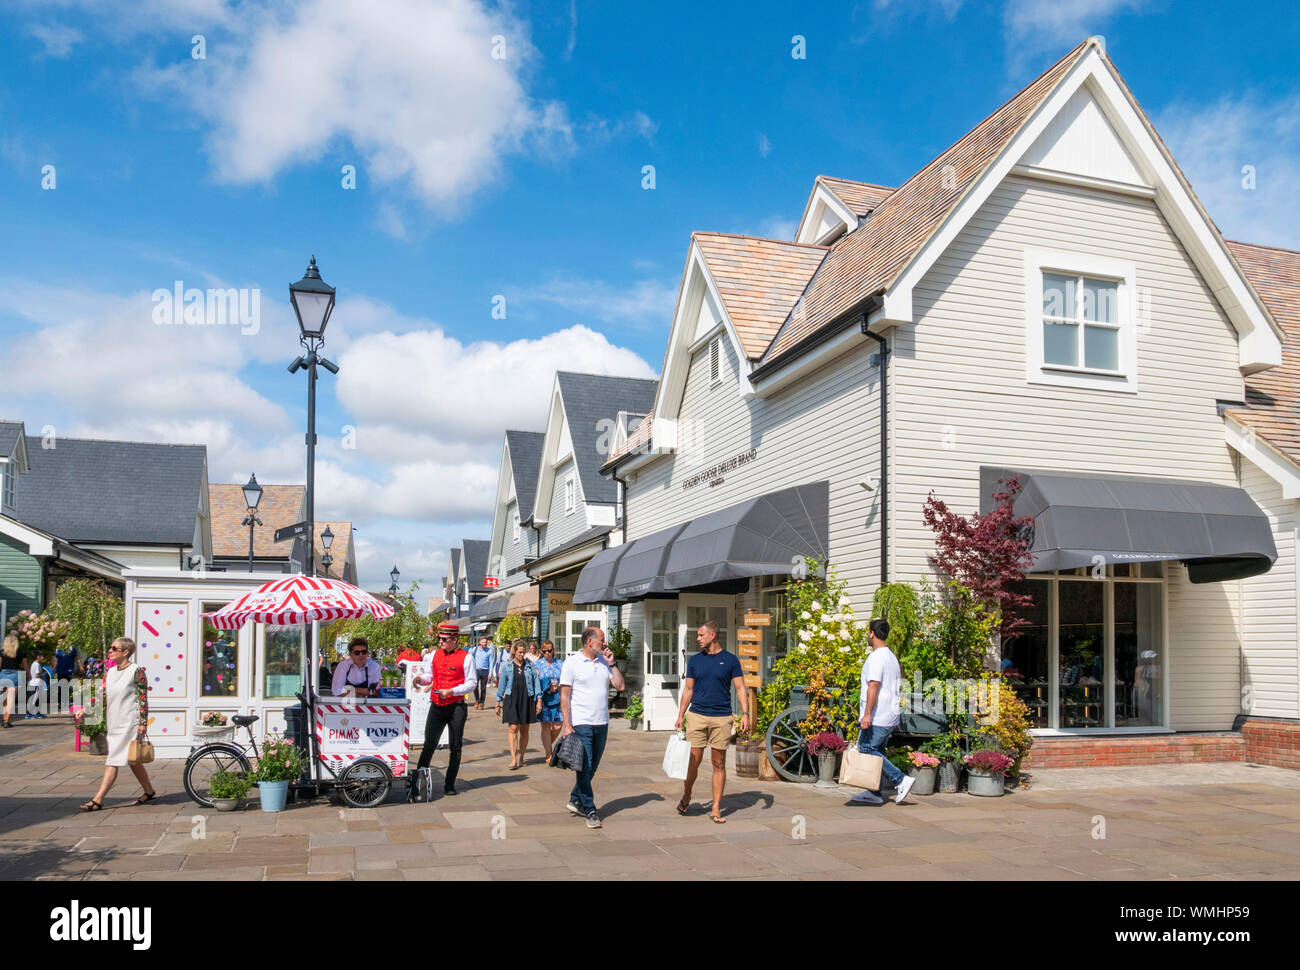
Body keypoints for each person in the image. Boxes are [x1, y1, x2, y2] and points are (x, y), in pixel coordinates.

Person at [673, 619, 749, 823]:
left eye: (701, 635)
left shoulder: (731, 660)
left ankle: (716, 807)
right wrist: (680, 715)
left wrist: (745, 713)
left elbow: (741, 688)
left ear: (712, 635)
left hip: (722, 718)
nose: (697, 639)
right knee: (693, 763)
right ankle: (687, 794)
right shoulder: (695, 660)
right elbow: (688, 689)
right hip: (697, 716)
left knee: (719, 763)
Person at [79, 637, 156, 811]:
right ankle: (149, 792)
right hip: (114, 720)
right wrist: (85, 709)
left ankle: (98, 799)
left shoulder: (137, 671)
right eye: (111, 648)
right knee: (133, 760)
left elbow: (142, 698)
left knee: (112, 760)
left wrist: (143, 722)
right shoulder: (110, 672)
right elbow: (101, 694)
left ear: (125, 652)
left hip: (129, 721)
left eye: (114, 648)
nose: (110, 651)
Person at [559, 626, 625, 829]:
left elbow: (620, 686)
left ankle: (575, 798)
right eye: (601, 640)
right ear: (589, 641)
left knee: (593, 766)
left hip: (602, 722)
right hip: (582, 723)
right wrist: (567, 724)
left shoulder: (605, 662)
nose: (604, 643)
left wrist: (613, 664)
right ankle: (590, 809)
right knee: (585, 765)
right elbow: (565, 696)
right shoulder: (572, 663)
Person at [849, 618, 914, 806]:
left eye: (868, 632)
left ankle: (901, 780)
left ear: (872, 633)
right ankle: (874, 793)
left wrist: (867, 714)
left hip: (878, 715)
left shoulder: (877, 657)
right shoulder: (891, 656)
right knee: (878, 752)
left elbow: (874, 685)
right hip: (890, 714)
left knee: (867, 749)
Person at [413, 621, 477, 796]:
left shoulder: (466, 657)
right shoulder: (434, 655)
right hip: (437, 705)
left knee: (455, 746)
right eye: (439, 638)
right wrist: (421, 679)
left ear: (454, 639)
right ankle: (417, 781)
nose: (440, 642)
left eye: (444, 639)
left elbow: (472, 683)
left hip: (456, 707)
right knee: (429, 744)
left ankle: (449, 783)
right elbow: (429, 676)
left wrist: (452, 691)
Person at [496, 639, 541, 769]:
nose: (522, 655)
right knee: (513, 728)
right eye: (520, 652)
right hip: (512, 698)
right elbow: (502, 685)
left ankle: (521, 756)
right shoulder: (508, 666)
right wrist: (498, 702)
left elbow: (536, 682)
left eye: (523, 652)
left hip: (527, 698)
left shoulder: (530, 666)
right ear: (514, 652)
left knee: (525, 730)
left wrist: (539, 700)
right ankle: (513, 759)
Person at [533, 640, 564, 765]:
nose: (547, 653)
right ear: (541, 651)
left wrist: (558, 686)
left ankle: (547, 746)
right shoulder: (538, 664)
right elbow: (536, 683)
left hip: (558, 698)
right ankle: (549, 752)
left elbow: (566, 679)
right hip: (544, 698)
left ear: (553, 650)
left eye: (550, 651)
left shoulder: (560, 663)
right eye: (544, 651)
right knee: (546, 726)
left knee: (557, 726)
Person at [0, 634, 23, 728]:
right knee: (11, 699)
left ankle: (5, 719)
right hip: (15, 675)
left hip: (3, 675)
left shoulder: (2, 652)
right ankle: (6, 720)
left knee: (5, 699)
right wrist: (29, 675)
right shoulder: (20, 652)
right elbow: (24, 665)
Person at [470, 636, 496, 710]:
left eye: (486, 642)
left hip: (485, 671)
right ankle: (477, 700)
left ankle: (482, 703)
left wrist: (490, 673)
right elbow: (470, 659)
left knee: (483, 688)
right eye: (484, 642)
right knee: (475, 687)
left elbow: (491, 663)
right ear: (480, 642)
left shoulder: (490, 651)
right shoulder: (474, 650)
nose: (485, 643)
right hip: (476, 671)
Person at [27, 653, 48, 719]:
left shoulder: (33, 664)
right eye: (42, 656)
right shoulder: (37, 664)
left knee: (34, 698)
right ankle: (31, 714)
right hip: (36, 683)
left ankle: (35, 713)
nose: (42, 658)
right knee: (35, 699)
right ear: (37, 657)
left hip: (33, 683)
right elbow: (37, 675)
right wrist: (43, 674)